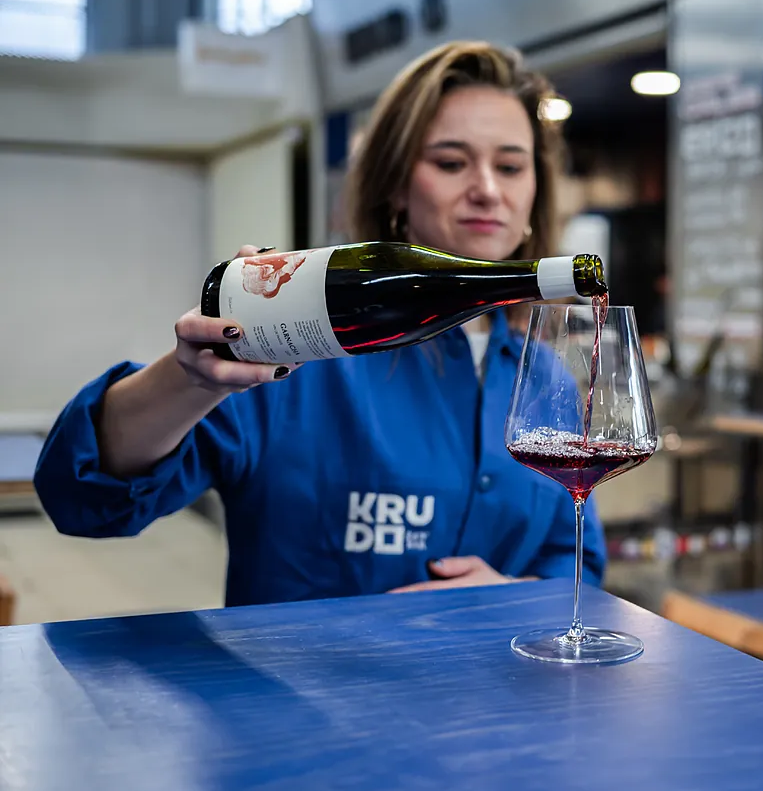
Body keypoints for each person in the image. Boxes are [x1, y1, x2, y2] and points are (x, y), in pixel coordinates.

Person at [33, 41, 605, 607]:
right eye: (451, 163)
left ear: (534, 192)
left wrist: (508, 597)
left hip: (492, 674)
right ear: (396, 187)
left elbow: (576, 561)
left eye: (510, 166)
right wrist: (191, 378)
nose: (488, 189)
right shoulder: (302, 347)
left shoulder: (544, 376)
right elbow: (84, 499)